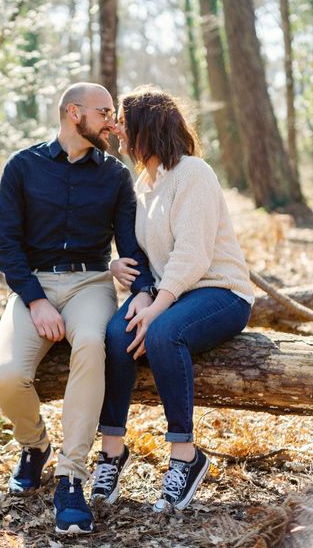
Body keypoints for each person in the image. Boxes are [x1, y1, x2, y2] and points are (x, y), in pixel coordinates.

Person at [0, 82, 154, 535]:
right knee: (6, 376)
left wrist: (141, 288)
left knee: (89, 343)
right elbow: (7, 244)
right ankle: (34, 445)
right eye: (104, 111)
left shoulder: (116, 175)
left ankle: (70, 478)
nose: (112, 121)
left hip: (91, 283)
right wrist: (37, 300)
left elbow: (129, 245)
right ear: (72, 112)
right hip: (34, 285)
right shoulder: (22, 167)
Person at [91, 86, 254, 512]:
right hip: (168, 291)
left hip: (219, 290)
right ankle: (111, 450)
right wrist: (142, 296)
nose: (117, 131)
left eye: (123, 123)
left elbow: (193, 256)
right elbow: (139, 251)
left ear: (146, 125)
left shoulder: (193, 173)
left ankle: (185, 455)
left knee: (162, 335)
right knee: (115, 333)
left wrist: (156, 309)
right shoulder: (144, 182)